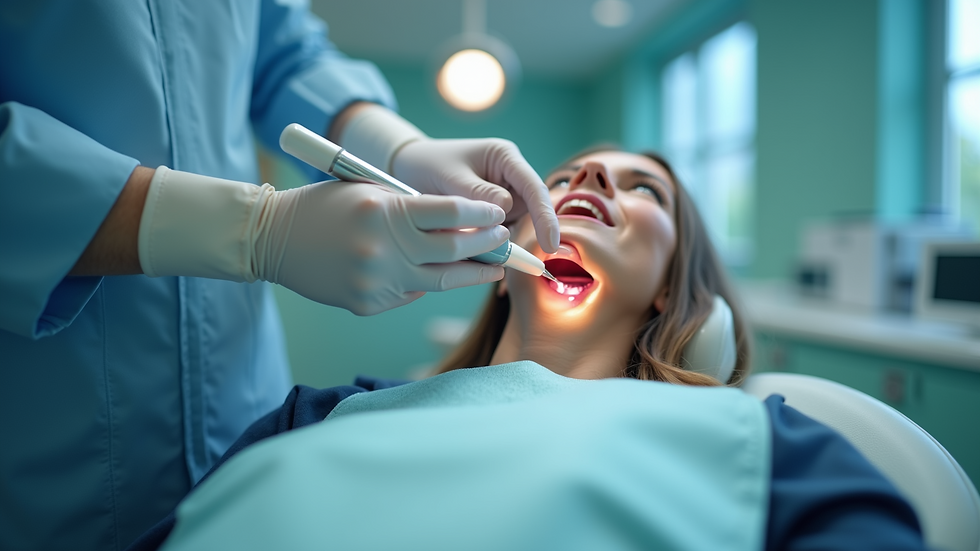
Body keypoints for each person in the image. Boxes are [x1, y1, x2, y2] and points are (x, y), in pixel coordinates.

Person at [128, 149, 928, 550]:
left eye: (643, 189)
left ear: (670, 284)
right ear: (494, 264)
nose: (593, 182)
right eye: (571, 174)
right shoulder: (321, 415)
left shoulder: (756, 440)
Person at [0, 2, 560, 549]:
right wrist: (254, 230)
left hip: (241, 396)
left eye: (646, 188)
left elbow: (283, 53)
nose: (595, 187)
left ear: (656, 300)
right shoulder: (333, 418)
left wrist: (399, 148)